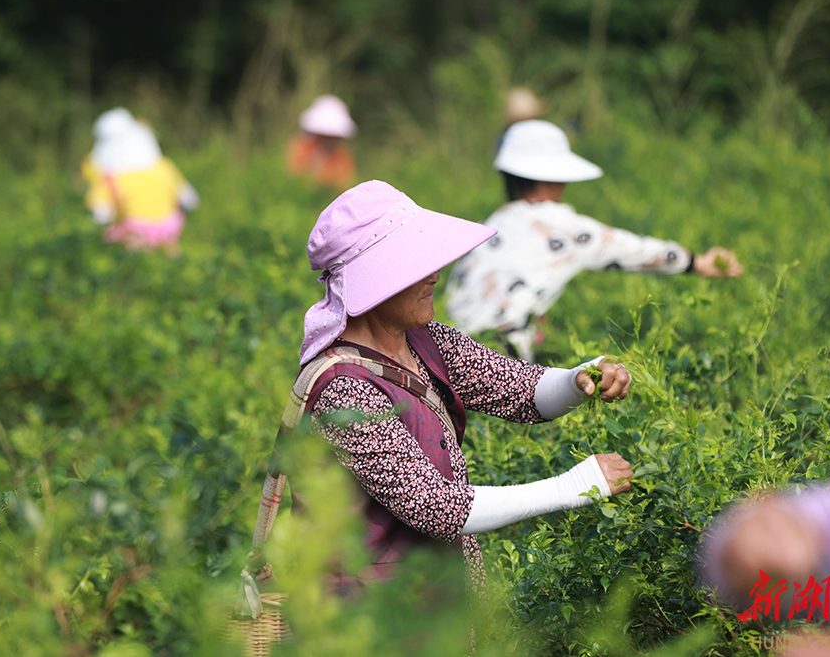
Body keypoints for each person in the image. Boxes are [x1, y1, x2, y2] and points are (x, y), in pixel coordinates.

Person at [247, 180, 634, 605]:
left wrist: (579, 379)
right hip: (369, 619)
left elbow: (522, 390)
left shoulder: (426, 341)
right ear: (374, 279)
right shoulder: (344, 389)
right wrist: (573, 486)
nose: (434, 274)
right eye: (416, 263)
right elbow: (436, 507)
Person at [446, 119, 743, 361]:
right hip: (496, 351)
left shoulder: (494, 224)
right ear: (556, 177)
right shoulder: (561, 227)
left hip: (448, 345)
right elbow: (630, 249)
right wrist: (695, 262)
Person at [700, 465, 830, 616]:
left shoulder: (821, 512)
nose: (774, 544)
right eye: (765, 569)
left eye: (767, 531)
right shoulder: (825, 595)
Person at [82, 107, 199, 254]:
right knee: (170, 254)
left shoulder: (110, 178)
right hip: (168, 226)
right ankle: (173, 257)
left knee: (128, 250)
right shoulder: (163, 166)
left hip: (134, 231)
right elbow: (189, 198)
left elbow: (101, 213)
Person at [285, 95, 357, 190]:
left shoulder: (342, 156)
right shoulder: (301, 148)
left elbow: (344, 185)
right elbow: (293, 178)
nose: (330, 141)